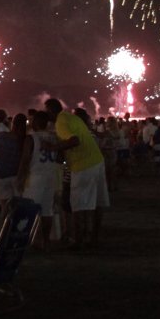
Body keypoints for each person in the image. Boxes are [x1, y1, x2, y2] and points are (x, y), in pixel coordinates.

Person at [46, 98, 107, 248]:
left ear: (52, 111)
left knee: (78, 205)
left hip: (83, 164)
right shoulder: (70, 117)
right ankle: (94, 237)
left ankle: (78, 240)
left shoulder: (60, 122)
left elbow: (74, 141)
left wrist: (53, 148)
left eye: (47, 111)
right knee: (98, 202)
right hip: (97, 160)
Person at [18, 110, 62, 250]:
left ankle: (27, 240)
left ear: (35, 122)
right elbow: (60, 158)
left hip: (34, 178)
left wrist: (20, 178)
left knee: (28, 210)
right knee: (47, 211)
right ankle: (46, 241)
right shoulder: (54, 138)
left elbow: (25, 160)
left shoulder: (31, 138)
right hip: (50, 176)